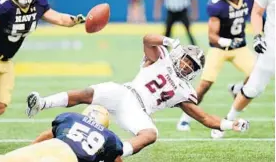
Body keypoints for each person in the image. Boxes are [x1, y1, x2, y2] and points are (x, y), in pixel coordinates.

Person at [26, 33, 249, 158]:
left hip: (139, 110)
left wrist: (231, 125)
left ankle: (114, 151)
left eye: (192, 66)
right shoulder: (161, 57)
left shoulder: (185, 90)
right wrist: (168, 41)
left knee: (151, 133)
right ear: (179, 54)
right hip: (126, 92)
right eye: (186, 60)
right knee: (87, 93)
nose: (187, 66)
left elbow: (204, 118)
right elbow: (146, 38)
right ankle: (42, 103)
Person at [0, 0, 86, 117]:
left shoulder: (38, 3)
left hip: (7, 61)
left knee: (0, 107)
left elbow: (59, 19)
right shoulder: (3, 7)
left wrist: (76, 20)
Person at [177, 0, 256, 131]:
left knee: (255, 75)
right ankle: (185, 117)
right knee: (204, 85)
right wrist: (228, 42)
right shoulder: (216, 5)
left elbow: (259, 10)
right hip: (219, 49)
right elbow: (212, 36)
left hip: (240, 48)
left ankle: (239, 89)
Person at [211, 0, 275, 139]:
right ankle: (228, 120)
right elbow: (257, 12)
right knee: (253, 88)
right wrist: (258, 36)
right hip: (272, 43)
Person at [0, 105, 123, 162]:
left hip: (53, 144)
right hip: (72, 158)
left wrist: (32, 148)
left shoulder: (72, 117)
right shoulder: (110, 137)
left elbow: (47, 135)